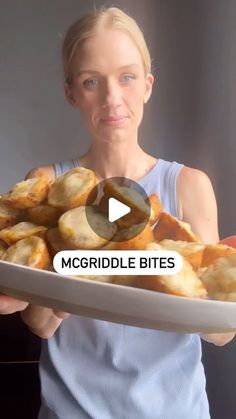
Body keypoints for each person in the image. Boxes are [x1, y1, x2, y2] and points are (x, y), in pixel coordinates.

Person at [0, 6, 235, 418]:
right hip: (72, 410)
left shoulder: (188, 186)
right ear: (71, 92)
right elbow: (40, 325)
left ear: (147, 85)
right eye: (92, 81)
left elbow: (221, 331)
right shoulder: (49, 187)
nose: (112, 98)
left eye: (127, 77)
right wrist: (74, 266)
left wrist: (174, 276)